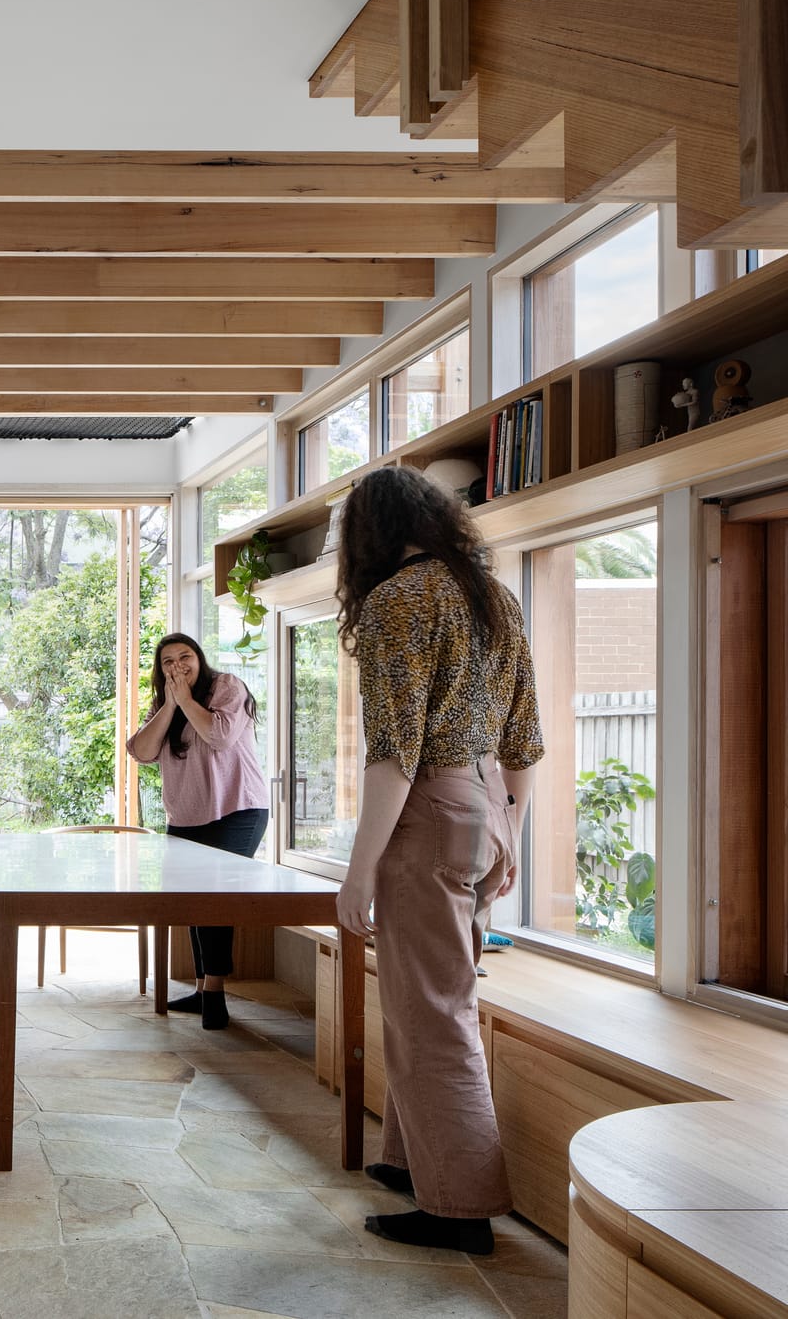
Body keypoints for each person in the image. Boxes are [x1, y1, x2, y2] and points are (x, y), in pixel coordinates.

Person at [332, 465, 543, 1257]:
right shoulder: (495, 596)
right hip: (484, 810)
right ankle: (413, 1158)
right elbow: (524, 739)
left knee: (433, 1010)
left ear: (372, 533)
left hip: (427, 812)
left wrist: (359, 871)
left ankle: (459, 1208)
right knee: (431, 997)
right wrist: (511, 829)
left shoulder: (399, 601)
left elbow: (395, 753)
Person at [124, 632, 267, 1030]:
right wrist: (170, 705)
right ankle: (204, 988)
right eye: (167, 661)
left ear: (199, 659)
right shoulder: (163, 704)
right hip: (187, 816)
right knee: (193, 900)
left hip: (237, 809)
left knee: (215, 897)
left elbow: (219, 735)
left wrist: (186, 700)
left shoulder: (226, 687)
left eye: (185, 656)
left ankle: (216, 994)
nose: (177, 666)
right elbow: (141, 751)